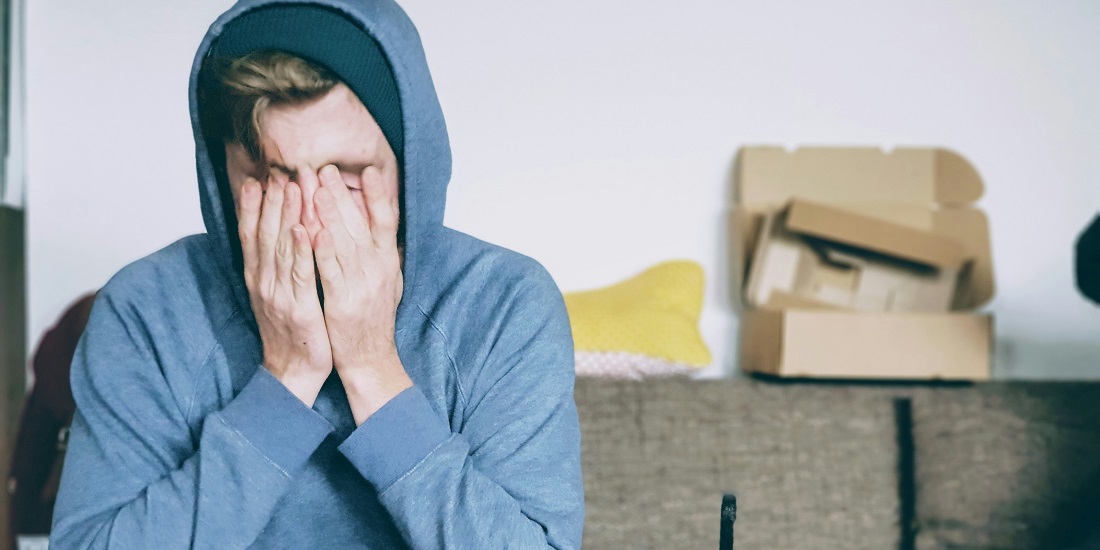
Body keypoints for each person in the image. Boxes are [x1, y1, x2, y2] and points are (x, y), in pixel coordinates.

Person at [50, 1, 584, 548]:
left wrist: (374, 370)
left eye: (348, 178)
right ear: (222, 174)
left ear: (409, 163)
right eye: (272, 179)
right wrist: (285, 380)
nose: (310, 219)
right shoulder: (145, 309)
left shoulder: (506, 304)